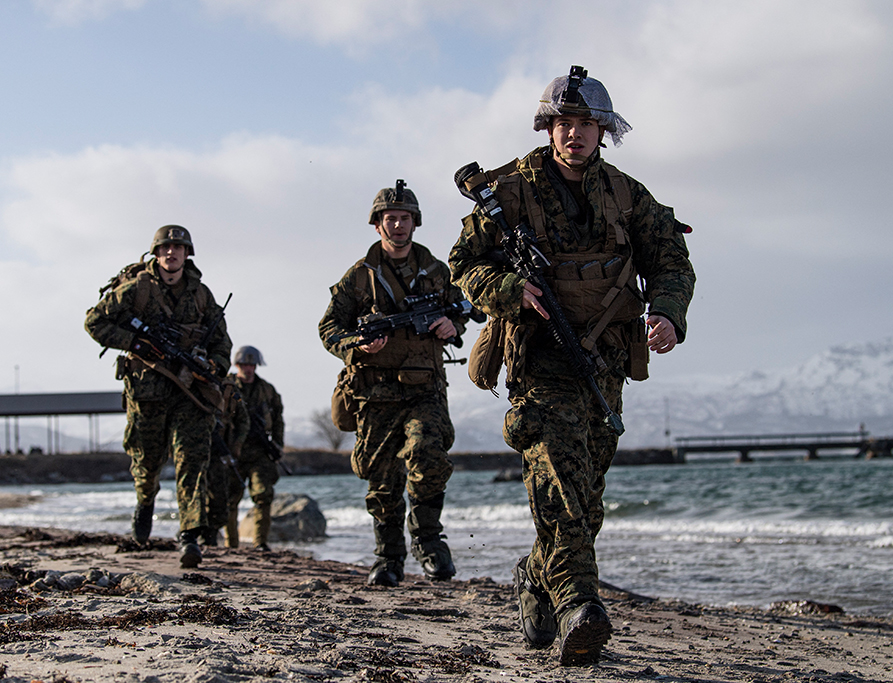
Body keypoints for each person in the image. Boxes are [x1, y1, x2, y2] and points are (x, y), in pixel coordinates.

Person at [449, 67, 695, 665]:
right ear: (549, 127)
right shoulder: (508, 191)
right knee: (559, 477)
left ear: (602, 130)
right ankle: (579, 604)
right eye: (565, 123)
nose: (576, 134)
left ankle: (535, 574)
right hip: (539, 359)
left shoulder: (628, 194)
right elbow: (462, 264)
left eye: (587, 124)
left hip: (605, 358)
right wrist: (508, 287)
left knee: (586, 500)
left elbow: (671, 258)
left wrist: (666, 311)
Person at [318, 180, 471, 587]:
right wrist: (358, 346)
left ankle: (429, 542)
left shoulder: (437, 271)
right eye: (390, 218)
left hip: (425, 389)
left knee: (428, 457)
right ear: (377, 225)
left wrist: (450, 324)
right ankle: (387, 558)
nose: (398, 225)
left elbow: (470, 309)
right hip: (374, 392)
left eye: (404, 218)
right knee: (381, 479)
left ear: (415, 223)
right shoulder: (359, 277)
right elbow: (328, 328)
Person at [85, 225, 233, 569]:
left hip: (190, 391)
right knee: (147, 461)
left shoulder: (201, 294)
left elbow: (222, 342)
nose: (171, 253)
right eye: (166, 247)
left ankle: (189, 536)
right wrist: (134, 343)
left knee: (191, 461)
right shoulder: (136, 290)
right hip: (147, 391)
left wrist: (214, 364)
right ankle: (145, 502)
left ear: (187, 254)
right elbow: (94, 322)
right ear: (156, 253)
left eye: (178, 248)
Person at [226, 345, 284, 551]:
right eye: (244, 365)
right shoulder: (228, 386)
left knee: (263, 495)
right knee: (230, 498)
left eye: (251, 365)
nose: (248, 369)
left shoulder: (267, 390)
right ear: (237, 365)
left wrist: (278, 444)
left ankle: (260, 543)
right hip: (234, 450)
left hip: (260, 451)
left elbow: (278, 419)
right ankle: (231, 544)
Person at [202, 374, 249, 547]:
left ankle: (211, 535)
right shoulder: (187, 380)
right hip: (196, 447)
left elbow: (243, 420)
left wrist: (236, 445)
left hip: (219, 451)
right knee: (195, 492)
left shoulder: (228, 389)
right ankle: (191, 532)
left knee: (221, 498)